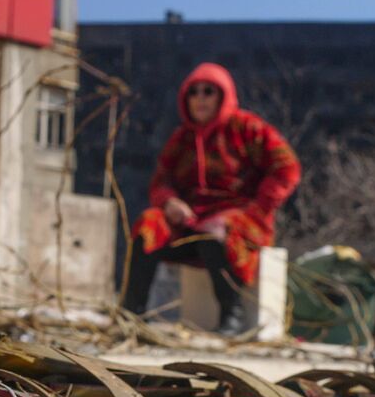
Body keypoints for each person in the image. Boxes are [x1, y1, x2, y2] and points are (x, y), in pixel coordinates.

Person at [122, 62, 301, 335]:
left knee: (215, 231)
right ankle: (132, 313)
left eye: (209, 91)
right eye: (193, 92)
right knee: (148, 223)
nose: (200, 98)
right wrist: (170, 202)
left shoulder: (249, 129)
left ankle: (232, 316)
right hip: (188, 224)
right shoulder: (181, 138)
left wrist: (258, 208)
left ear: (223, 95)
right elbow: (161, 181)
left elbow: (287, 168)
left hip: (239, 223)